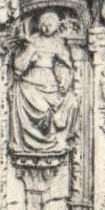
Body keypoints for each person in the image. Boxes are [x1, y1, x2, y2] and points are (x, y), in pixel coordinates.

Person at [10, 11, 79, 158]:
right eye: (44, 25)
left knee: (71, 102)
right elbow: (18, 65)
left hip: (50, 81)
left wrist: (64, 77)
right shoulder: (32, 40)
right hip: (31, 81)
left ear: (56, 26)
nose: (46, 28)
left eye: (50, 25)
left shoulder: (58, 43)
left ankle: (56, 139)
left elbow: (65, 64)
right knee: (43, 111)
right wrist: (30, 54)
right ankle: (45, 141)